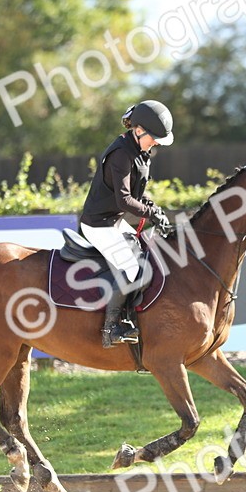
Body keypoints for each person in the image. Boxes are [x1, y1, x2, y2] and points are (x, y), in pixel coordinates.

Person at [78, 99, 176, 348]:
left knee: (145, 260)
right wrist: (151, 214)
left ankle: (130, 316)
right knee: (133, 270)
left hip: (113, 220)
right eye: (153, 138)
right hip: (98, 225)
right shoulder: (121, 155)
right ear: (139, 130)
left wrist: (154, 209)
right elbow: (124, 200)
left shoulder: (139, 152)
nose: (156, 143)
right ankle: (110, 329)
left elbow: (137, 194)